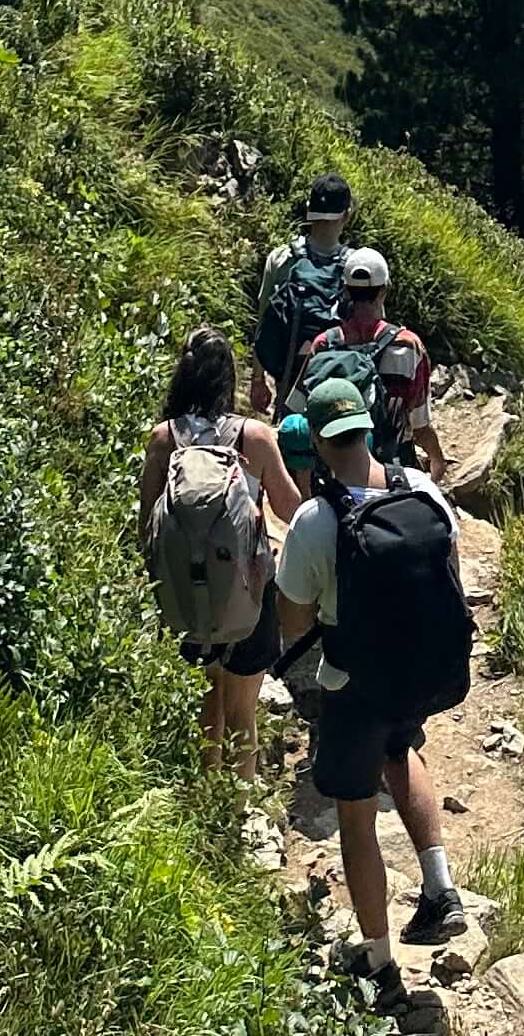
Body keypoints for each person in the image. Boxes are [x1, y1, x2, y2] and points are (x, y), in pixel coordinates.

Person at [275, 374, 475, 1007]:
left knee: (356, 815)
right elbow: (448, 569)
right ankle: (439, 888)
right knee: (404, 751)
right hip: (418, 672)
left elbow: (295, 620)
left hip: (355, 681)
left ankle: (380, 965)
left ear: (320, 443)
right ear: (367, 428)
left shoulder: (316, 518)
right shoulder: (423, 491)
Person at [141, 327, 299, 771]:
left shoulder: (163, 439)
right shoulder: (256, 437)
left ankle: (205, 800)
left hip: (186, 591)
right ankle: (239, 807)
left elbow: (147, 528)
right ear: (228, 378)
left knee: (205, 700)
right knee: (243, 710)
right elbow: (291, 510)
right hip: (249, 589)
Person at [290, 245, 445, 478]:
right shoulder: (408, 346)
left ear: (346, 291)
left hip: (335, 471)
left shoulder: (323, 344)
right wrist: (437, 459)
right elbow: (420, 427)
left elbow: (297, 410)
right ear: (384, 290)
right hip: (391, 471)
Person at [251, 170, 356, 414]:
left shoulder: (281, 258)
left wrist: (258, 379)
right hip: (340, 384)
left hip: (288, 379)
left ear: (309, 208)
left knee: (290, 439)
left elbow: (264, 320)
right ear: (347, 215)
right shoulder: (356, 266)